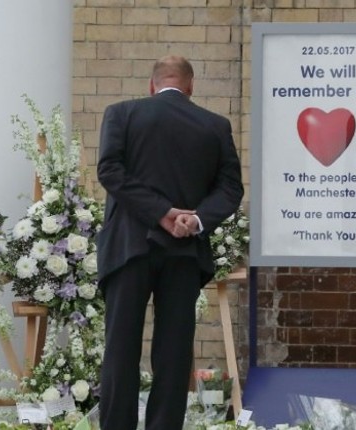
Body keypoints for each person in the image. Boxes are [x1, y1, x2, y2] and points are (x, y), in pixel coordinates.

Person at [96, 55, 244, 430]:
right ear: (191, 87)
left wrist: (159, 212)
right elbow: (230, 188)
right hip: (183, 252)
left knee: (120, 348)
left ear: (152, 85)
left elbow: (109, 170)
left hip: (129, 248)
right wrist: (192, 219)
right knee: (175, 352)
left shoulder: (121, 114)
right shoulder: (215, 126)